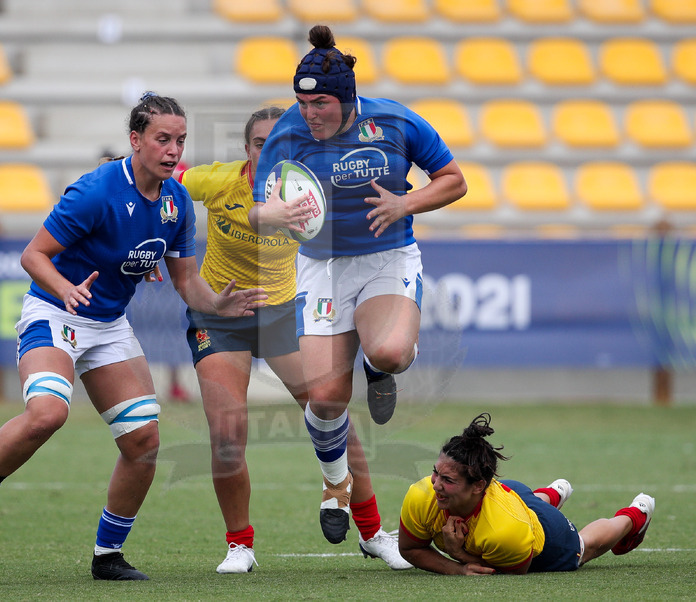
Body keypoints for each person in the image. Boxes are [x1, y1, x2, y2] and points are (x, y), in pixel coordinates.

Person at [0, 93, 266, 581]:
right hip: (55, 312)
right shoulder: (96, 191)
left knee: (144, 441)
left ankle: (107, 556)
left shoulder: (176, 203)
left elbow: (187, 281)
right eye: (163, 139)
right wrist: (65, 289)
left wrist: (216, 304)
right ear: (136, 140)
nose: (173, 150)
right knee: (48, 414)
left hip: (108, 326)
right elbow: (33, 255)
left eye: (180, 140)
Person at [249, 25, 467, 544]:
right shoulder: (287, 132)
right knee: (325, 398)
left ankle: (378, 367)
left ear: (347, 99)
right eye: (303, 102)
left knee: (390, 351)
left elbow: (454, 180)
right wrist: (272, 214)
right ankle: (335, 485)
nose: (309, 113)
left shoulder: (395, 121)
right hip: (321, 266)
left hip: (385, 257)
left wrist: (404, 203)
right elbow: (258, 210)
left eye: (320, 103)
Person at [178, 106, 412, 573]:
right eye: (259, 144)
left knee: (332, 414)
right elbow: (161, 185)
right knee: (227, 435)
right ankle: (239, 546)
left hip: (285, 313)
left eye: (279, 143)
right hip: (220, 316)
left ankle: (371, 533)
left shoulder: (315, 188)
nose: (269, 151)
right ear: (246, 149)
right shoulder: (219, 181)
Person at [399, 413, 656, 574]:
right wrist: (456, 569)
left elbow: (517, 571)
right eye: (435, 473)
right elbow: (410, 549)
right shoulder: (421, 494)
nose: (435, 485)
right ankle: (551, 494)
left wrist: (459, 554)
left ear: (478, 486)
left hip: (542, 534)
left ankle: (635, 515)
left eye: (447, 480)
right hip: (512, 493)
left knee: (584, 545)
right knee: (526, 502)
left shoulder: (505, 531)